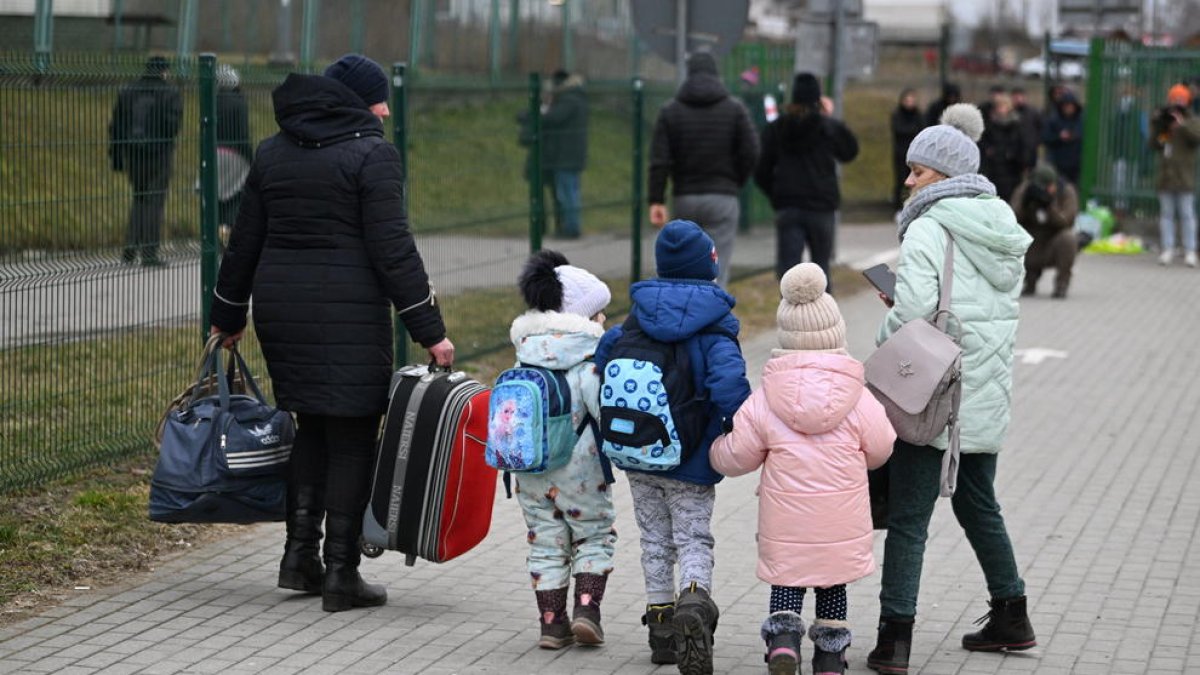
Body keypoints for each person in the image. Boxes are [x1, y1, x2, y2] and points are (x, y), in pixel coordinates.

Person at [207, 54, 455, 613]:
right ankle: (343, 572)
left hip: (282, 311)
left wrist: (226, 314)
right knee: (351, 435)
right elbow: (393, 250)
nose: (387, 108)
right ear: (353, 101)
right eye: (379, 98)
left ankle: (299, 558)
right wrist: (430, 331)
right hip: (349, 312)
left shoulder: (273, 153)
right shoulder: (372, 154)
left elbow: (243, 242)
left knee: (312, 426)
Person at [867, 104, 1036, 674]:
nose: (908, 180)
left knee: (909, 520)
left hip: (932, 397)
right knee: (978, 501)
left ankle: (894, 640)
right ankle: (1012, 613)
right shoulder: (1001, 227)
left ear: (942, 174)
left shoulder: (928, 225)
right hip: (983, 393)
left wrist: (889, 330)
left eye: (917, 171)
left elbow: (914, 312)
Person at [710, 262, 895, 675]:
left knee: (787, 579)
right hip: (840, 519)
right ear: (836, 332)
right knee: (832, 585)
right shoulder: (859, 396)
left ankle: (782, 643)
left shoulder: (765, 397)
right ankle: (830, 657)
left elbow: (738, 455)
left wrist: (714, 451)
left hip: (786, 521)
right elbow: (882, 447)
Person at [595, 220, 751, 673]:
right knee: (693, 537)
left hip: (638, 453)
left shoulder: (637, 315)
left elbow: (605, 356)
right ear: (710, 268)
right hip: (692, 459)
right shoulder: (715, 325)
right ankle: (695, 605)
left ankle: (661, 632)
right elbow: (729, 387)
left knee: (655, 541)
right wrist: (737, 428)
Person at [508, 250, 617, 649]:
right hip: (581, 471)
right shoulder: (587, 363)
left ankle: (552, 623)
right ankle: (587, 611)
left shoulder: (524, 356)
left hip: (530, 470)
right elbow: (604, 414)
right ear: (580, 317)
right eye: (599, 313)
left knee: (545, 541)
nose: (603, 320)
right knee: (593, 536)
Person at [648, 51, 760, 287]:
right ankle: (715, 318)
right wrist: (733, 181)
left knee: (685, 268)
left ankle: (685, 319)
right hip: (723, 197)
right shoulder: (735, 109)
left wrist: (656, 199)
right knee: (717, 268)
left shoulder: (671, 111)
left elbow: (660, 160)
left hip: (685, 197)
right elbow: (751, 151)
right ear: (715, 74)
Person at [754, 73, 859, 287]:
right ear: (818, 99)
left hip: (789, 206)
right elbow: (850, 151)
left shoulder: (777, 128)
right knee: (821, 268)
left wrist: (777, 196)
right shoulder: (827, 127)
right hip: (821, 205)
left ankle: (790, 317)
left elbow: (761, 170)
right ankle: (823, 318)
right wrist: (831, 117)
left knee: (789, 273)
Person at [109, 55, 182, 267]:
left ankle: (130, 248)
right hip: (159, 154)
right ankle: (149, 252)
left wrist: (117, 157)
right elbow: (173, 126)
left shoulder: (128, 91)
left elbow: (117, 125)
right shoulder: (170, 93)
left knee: (139, 198)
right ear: (164, 71)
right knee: (155, 202)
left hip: (133, 154)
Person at [1011, 164, 1080, 298]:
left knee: (1068, 238)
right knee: (1014, 237)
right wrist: (1025, 204)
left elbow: (1067, 221)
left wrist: (1049, 206)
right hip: (1031, 243)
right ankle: (1030, 281)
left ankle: (1062, 284)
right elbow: (1011, 219)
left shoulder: (1066, 192)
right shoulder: (1025, 189)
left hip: (1051, 244)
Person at [1150, 84, 1200, 266]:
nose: (1176, 103)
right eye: (1173, 99)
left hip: (1184, 176)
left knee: (1187, 215)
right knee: (1166, 214)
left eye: (1180, 99)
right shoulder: (1165, 121)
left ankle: (1190, 251)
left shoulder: (1192, 120)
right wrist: (1157, 123)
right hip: (1166, 176)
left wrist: (1182, 125)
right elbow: (1154, 144)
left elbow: (1197, 137)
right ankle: (1167, 249)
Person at [541, 70, 589, 239]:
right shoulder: (578, 98)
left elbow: (553, 118)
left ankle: (571, 228)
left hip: (565, 156)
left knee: (566, 193)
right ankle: (571, 226)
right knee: (571, 191)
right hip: (572, 154)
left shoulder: (568, 100)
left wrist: (541, 110)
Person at [215, 64, 252, 245]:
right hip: (235, 155)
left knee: (217, 196)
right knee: (234, 196)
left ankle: (215, 232)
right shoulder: (239, 102)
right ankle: (228, 233)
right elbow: (243, 134)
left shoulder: (212, 101)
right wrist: (250, 158)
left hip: (214, 153)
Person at [978, 93, 1030, 202]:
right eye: (998, 107)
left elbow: (1023, 147)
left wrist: (1015, 156)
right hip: (993, 171)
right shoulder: (989, 125)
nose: (1000, 109)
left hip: (1011, 172)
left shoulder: (1017, 125)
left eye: (1002, 106)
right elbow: (983, 144)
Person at [890, 89, 924, 209]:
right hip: (901, 153)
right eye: (907, 100)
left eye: (912, 101)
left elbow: (920, 130)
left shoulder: (918, 115)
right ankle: (899, 207)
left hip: (916, 155)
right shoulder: (897, 115)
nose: (909, 103)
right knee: (901, 180)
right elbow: (899, 130)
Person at [1043, 89, 1084, 186]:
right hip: (1058, 164)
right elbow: (1045, 138)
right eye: (1066, 106)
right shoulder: (1054, 120)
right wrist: (1059, 137)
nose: (1068, 108)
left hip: (1076, 164)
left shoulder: (1081, 121)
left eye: (1070, 106)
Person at [1010, 87, 1043, 170]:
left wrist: (1035, 142)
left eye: (1019, 96)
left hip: (1030, 151)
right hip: (1013, 153)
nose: (1018, 99)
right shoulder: (1009, 112)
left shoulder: (1033, 112)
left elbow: (1041, 127)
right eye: (1015, 97)